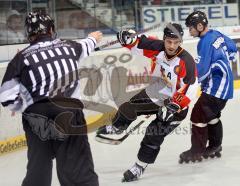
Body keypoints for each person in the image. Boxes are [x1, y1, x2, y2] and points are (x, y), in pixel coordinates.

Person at [0, 11, 102, 186]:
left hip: (36, 118)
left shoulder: (20, 58)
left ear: (29, 33)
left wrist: (26, 106)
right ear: (52, 29)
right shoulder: (70, 47)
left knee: (38, 170)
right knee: (77, 170)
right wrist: (94, 37)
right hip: (68, 113)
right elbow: (88, 43)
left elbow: (6, 96)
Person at [96, 23, 198, 182]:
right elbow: (137, 43)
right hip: (158, 91)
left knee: (153, 133)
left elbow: (190, 88)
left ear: (180, 42)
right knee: (128, 107)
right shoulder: (157, 47)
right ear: (164, 39)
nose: (171, 46)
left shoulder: (186, 62)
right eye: (169, 42)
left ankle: (139, 166)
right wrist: (128, 39)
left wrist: (174, 106)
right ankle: (117, 126)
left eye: (176, 42)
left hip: (176, 105)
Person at [179, 11, 237, 163]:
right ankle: (215, 146)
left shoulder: (203, 42)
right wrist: (228, 59)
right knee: (211, 115)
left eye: (190, 28)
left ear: (199, 26)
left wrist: (190, 82)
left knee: (198, 115)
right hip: (226, 86)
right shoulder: (216, 34)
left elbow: (203, 70)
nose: (189, 31)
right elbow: (232, 47)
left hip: (215, 88)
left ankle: (196, 151)